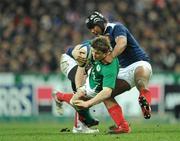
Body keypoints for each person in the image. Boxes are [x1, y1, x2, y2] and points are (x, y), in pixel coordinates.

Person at [84, 11, 152, 121]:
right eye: (90, 29)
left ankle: (144, 100)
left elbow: (122, 43)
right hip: (123, 71)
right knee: (106, 94)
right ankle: (122, 126)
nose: (92, 31)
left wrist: (111, 56)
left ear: (100, 22)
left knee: (140, 81)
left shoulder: (116, 27)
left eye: (93, 27)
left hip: (139, 62)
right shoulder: (100, 40)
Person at [54, 36, 131, 134]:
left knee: (100, 97)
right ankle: (81, 123)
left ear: (106, 53)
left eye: (97, 53)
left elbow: (107, 92)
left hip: (89, 72)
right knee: (78, 98)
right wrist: (79, 88)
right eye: (93, 52)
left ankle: (61, 97)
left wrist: (88, 103)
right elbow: (80, 67)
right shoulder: (89, 51)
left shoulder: (110, 66)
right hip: (69, 60)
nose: (94, 55)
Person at [54, 41, 99, 133]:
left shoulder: (101, 50)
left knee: (83, 94)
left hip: (80, 66)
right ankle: (79, 126)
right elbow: (80, 64)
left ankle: (59, 96)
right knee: (81, 93)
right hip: (69, 61)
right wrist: (79, 88)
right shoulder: (89, 48)